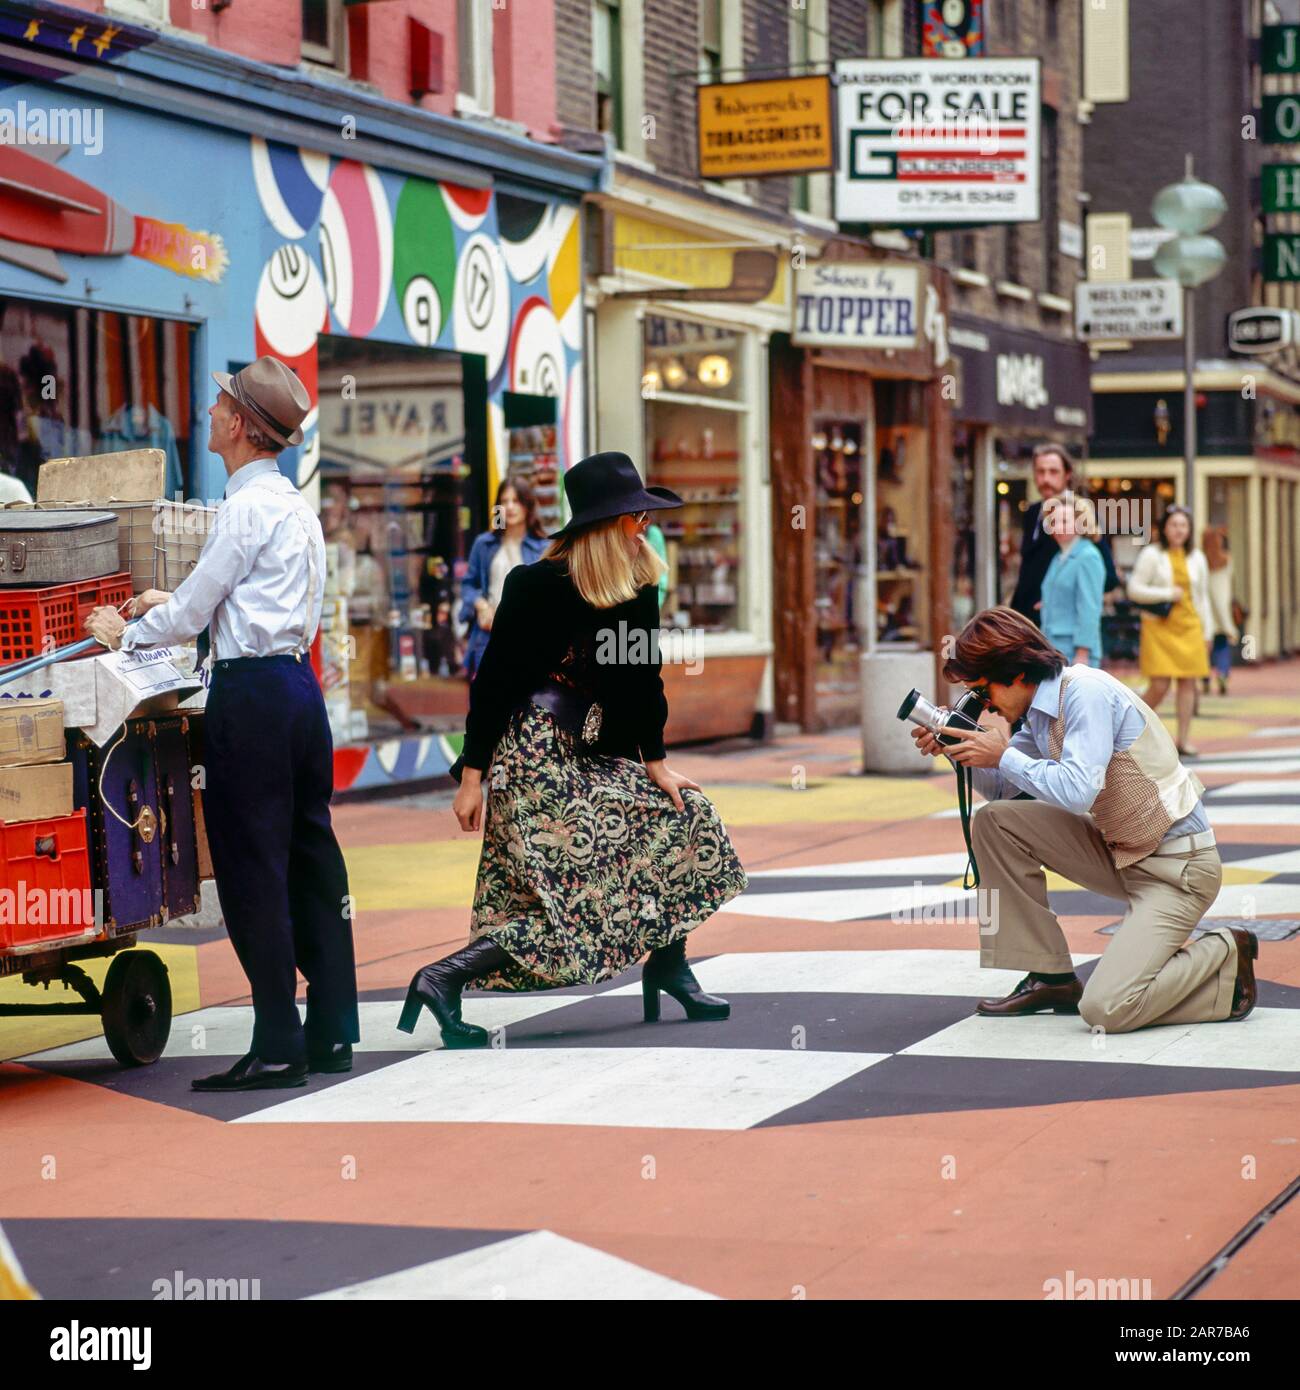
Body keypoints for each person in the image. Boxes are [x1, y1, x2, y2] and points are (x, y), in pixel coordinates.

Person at [397, 450, 748, 1049]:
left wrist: (656, 764)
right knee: (577, 902)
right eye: (635, 517)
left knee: (686, 817)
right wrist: (471, 775)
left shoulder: (637, 586)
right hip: (531, 757)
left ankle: (668, 966)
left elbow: (643, 681)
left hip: (588, 752)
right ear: (607, 524)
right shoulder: (534, 586)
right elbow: (494, 683)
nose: (644, 526)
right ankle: (440, 978)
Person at [85, 357, 359, 1091]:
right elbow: (237, 597)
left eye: (217, 407)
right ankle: (333, 1030)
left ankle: (277, 1043)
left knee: (250, 869)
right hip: (301, 690)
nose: (206, 414)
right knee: (312, 857)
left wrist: (129, 629)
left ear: (239, 426)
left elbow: (196, 612)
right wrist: (167, 603)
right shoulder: (297, 506)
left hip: (253, 697)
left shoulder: (242, 507)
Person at [911, 606, 1257, 1032]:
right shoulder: (1037, 713)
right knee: (995, 821)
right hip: (1123, 854)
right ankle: (1051, 976)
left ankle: (1223, 952)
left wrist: (1002, 754)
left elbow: (1077, 792)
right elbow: (1006, 789)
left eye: (984, 691)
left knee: (1106, 1009)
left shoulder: (1085, 693)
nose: (987, 707)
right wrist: (959, 752)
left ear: (1017, 674)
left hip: (1178, 871)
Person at [1128, 505, 1212, 757]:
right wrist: (1166, 593)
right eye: (1174, 525)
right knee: (1160, 685)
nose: (1179, 530)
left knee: (1188, 683)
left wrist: (1208, 631)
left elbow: (1203, 597)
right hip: (1159, 627)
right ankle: (1129, 730)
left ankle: (1183, 740)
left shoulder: (1197, 557)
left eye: (1183, 525)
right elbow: (1134, 589)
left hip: (1190, 625)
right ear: (1164, 528)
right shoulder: (1152, 554)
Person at [1010, 444, 1120, 622]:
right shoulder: (1033, 512)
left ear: (1067, 474)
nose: (1046, 478)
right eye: (1040, 471)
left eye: (1053, 472)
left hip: (1064, 628)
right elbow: (1028, 571)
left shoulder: (1080, 513)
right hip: (1026, 624)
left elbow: (1107, 578)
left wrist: (1061, 602)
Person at [459, 476, 547, 678]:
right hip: (488, 635)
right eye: (504, 501)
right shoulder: (484, 544)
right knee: (487, 704)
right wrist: (481, 605)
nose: (510, 507)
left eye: (516, 501)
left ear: (527, 505)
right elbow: (468, 585)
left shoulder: (543, 547)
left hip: (528, 638)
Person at [1039, 492, 1107, 667]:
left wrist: (1082, 652)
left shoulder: (1088, 556)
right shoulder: (1058, 557)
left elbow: (1090, 607)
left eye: (1064, 521)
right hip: (1054, 647)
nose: (1058, 527)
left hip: (1076, 652)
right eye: (1053, 522)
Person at [1202, 525, 1239, 696]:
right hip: (1222, 611)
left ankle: (1205, 678)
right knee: (1222, 646)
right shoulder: (1227, 560)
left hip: (1206, 612)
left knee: (1205, 648)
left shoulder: (1200, 561)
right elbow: (1229, 586)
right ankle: (1223, 674)